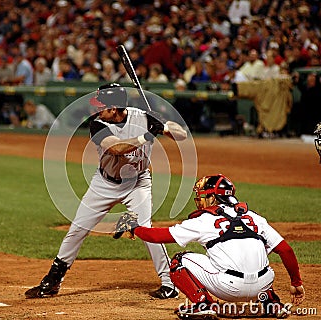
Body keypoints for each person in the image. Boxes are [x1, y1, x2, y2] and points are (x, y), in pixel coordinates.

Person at [25, 83, 188, 300]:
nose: (96, 110)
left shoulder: (145, 117)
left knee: (146, 230)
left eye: (101, 106)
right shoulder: (97, 123)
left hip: (138, 183)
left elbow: (183, 135)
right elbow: (116, 149)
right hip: (105, 184)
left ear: (113, 108)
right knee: (77, 229)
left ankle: (169, 283)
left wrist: (164, 127)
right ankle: (53, 281)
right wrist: (145, 137)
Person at [115, 174, 305, 319]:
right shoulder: (254, 217)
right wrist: (296, 283)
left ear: (214, 198)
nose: (200, 200)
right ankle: (271, 303)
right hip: (261, 286)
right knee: (258, 260)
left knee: (179, 261)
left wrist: (135, 228)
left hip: (228, 288)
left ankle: (202, 304)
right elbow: (285, 250)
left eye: (204, 196)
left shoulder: (205, 220)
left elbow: (159, 236)